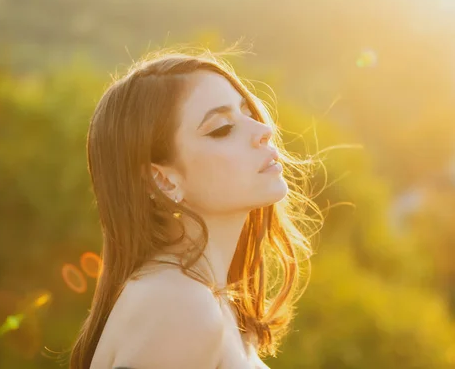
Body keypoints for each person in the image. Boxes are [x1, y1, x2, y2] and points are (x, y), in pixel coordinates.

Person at [69, 47, 323, 369]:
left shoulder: (204, 300)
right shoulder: (177, 305)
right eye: (222, 129)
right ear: (163, 180)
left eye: (248, 112)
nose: (264, 132)